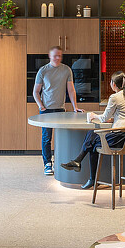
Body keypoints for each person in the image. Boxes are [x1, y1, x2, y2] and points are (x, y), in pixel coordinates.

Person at [62, 71, 125, 189]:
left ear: (114, 84)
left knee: (92, 139)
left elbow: (103, 118)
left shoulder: (114, 97)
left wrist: (93, 115)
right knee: (93, 139)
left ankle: (83, 167)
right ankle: (82, 168)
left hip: (119, 137)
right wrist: (113, 120)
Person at [34, 46, 83, 175]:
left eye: (59, 55)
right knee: (46, 138)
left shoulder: (66, 70)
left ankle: (58, 162)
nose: (57, 58)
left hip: (60, 109)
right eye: (55, 55)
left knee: (61, 137)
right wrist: (41, 106)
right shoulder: (43, 71)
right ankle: (47, 164)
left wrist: (75, 107)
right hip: (46, 110)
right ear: (49, 56)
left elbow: (71, 90)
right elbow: (36, 92)